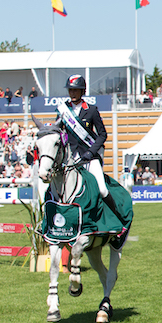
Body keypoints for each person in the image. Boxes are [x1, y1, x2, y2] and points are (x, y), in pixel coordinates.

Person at [56, 74, 126, 222]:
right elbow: (58, 133)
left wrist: (91, 152)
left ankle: (117, 220)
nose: (72, 93)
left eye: (76, 90)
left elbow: (102, 135)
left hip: (89, 157)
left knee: (101, 189)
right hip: (70, 159)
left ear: (82, 91)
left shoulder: (92, 110)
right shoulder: (63, 111)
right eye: (70, 90)